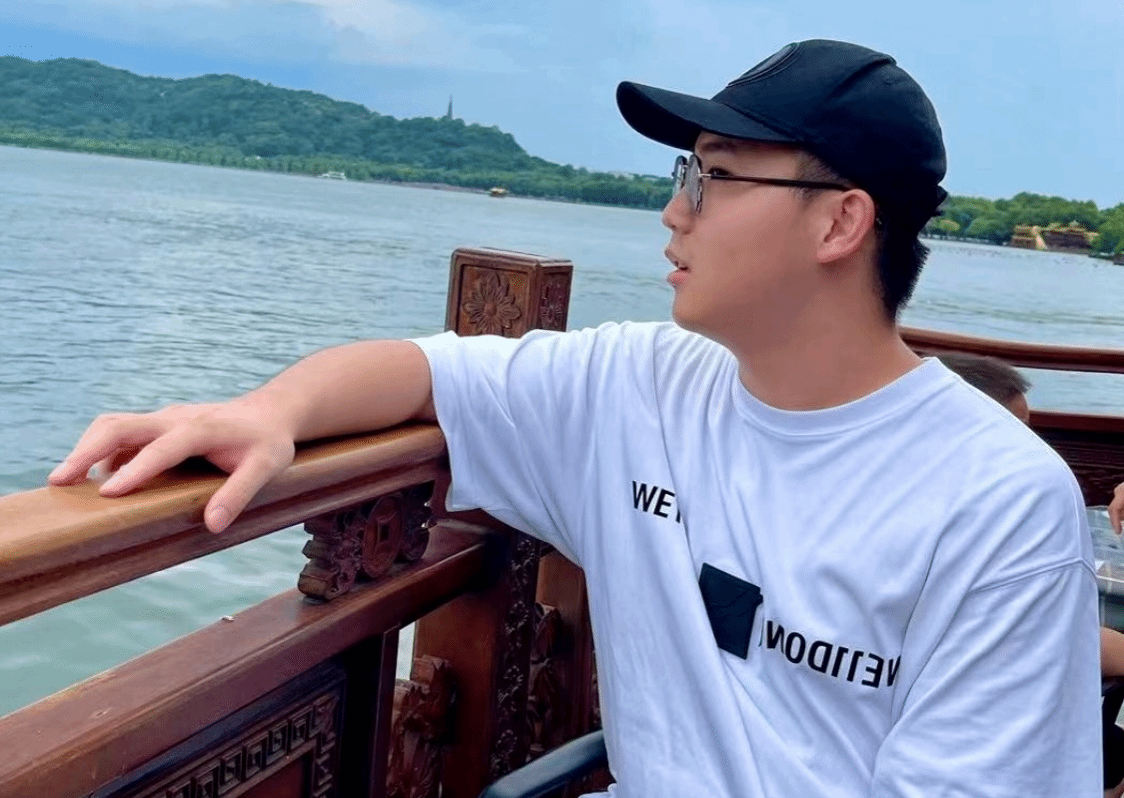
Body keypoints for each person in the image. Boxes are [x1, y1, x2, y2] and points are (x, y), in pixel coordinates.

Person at [48, 39, 1100, 796]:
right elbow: (420, 371)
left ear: (840, 222)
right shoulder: (642, 385)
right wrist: (267, 414)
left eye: (711, 177)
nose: (673, 211)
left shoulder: (993, 500)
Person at [938, 350, 1124, 796]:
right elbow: (1058, 636)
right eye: (1018, 433)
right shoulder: (994, 533)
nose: (1037, 451)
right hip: (985, 742)